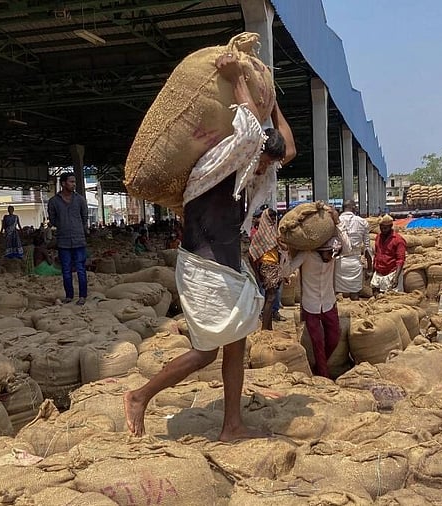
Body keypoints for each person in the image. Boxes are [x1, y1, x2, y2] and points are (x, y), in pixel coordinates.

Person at [124, 50, 295, 441]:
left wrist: (273, 105)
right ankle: (139, 396)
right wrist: (237, 79)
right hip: (204, 270)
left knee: (236, 348)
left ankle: (231, 425)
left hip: (228, 271)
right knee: (206, 352)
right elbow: (251, 134)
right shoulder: (218, 162)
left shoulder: (247, 172)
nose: (267, 167)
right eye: (265, 162)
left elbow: (287, 147)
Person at [283, 234, 346, 378]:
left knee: (334, 337)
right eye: (328, 253)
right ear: (319, 249)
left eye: (332, 253)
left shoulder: (332, 256)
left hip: (329, 302)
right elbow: (286, 272)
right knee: (317, 342)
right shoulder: (306, 255)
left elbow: (347, 247)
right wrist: (285, 253)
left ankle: (319, 366)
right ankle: (323, 375)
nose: (330, 256)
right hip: (310, 305)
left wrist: (336, 226)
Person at [47, 173, 88, 304]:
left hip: (79, 239)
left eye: (75, 182)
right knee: (66, 269)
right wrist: (63, 225)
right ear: (63, 183)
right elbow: (52, 219)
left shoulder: (80, 200)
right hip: (63, 240)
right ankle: (69, 296)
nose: (74, 184)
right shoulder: (54, 201)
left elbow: (84, 217)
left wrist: (78, 228)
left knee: (81, 269)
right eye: (71, 182)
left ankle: (82, 296)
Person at [249, 207, 284, 330]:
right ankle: (265, 328)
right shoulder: (260, 235)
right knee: (271, 297)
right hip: (267, 266)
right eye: (271, 218)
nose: (273, 220)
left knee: (271, 296)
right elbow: (252, 254)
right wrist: (257, 272)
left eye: (274, 218)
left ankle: (269, 327)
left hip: (274, 266)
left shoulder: (274, 233)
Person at [335, 200, 372, 300]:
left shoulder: (336, 221)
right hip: (355, 262)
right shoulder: (362, 222)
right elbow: (367, 248)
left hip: (339, 262)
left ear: (343, 208)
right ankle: (356, 313)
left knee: (336, 293)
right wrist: (369, 268)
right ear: (354, 208)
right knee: (355, 293)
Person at [370, 215, 407, 294]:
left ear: (390, 226)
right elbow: (376, 254)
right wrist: (373, 270)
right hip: (379, 271)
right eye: (381, 228)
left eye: (385, 228)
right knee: (375, 294)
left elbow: (400, 260)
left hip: (391, 272)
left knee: (391, 298)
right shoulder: (378, 237)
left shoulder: (398, 240)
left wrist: (396, 277)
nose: (383, 230)